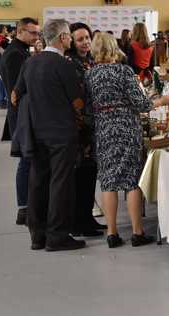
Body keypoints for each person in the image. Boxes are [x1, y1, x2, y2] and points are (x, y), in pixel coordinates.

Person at [85, 33, 169, 248]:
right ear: (114, 48)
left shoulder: (90, 75)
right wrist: (161, 100)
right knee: (132, 181)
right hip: (126, 128)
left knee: (108, 181)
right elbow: (141, 104)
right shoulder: (123, 71)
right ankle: (137, 232)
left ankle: (112, 233)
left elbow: (87, 106)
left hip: (103, 128)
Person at [12, 19, 85, 251]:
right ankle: (57, 235)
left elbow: (15, 96)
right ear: (63, 38)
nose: (72, 40)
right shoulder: (64, 65)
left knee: (37, 181)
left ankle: (37, 235)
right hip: (61, 132)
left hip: (37, 131)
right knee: (61, 183)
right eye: (70, 37)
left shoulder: (30, 62)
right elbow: (78, 101)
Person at [65, 23, 106, 237]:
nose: (85, 42)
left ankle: (87, 218)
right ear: (71, 41)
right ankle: (78, 221)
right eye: (80, 39)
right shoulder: (71, 63)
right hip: (79, 127)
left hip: (92, 126)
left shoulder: (90, 60)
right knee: (80, 176)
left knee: (90, 174)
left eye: (87, 37)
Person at [0, 17, 39, 225]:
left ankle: (26, 205)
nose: (36, 36)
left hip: (23, 114)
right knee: (25, 161)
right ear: (20, 32)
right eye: (32, 33)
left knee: (28, 160)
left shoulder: (20, 51)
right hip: (21, 115)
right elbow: (18, 89)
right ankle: (23, 207)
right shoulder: (15, 54)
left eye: (37, 33)